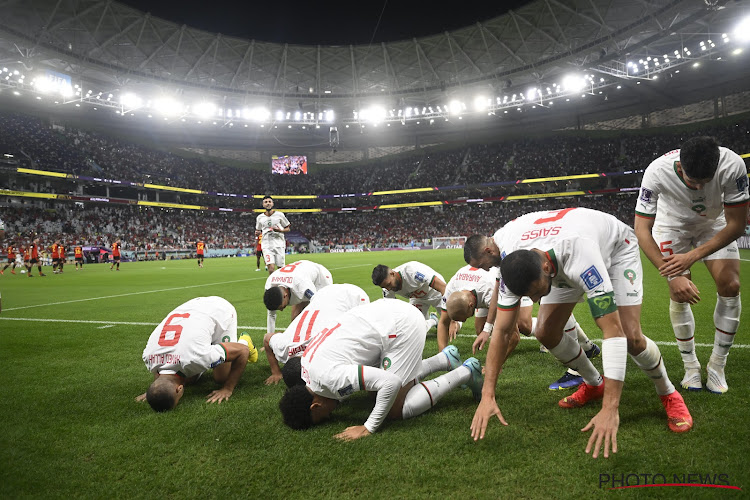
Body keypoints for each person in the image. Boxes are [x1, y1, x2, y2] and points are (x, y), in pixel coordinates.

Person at [464, 207, 693, 459]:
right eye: (530, 296)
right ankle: (595, 384)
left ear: (546, 268)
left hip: (614, 249)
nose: (536, 300)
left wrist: (610, 408)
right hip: (555, 254)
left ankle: (668, 393)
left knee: (630, 336)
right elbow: (503, 331)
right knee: (545, 332)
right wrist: (487, 394)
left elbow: (611, 330)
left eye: (537, 293)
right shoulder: (512, 265)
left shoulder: (581, 256)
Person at [634, 137, 749, 394]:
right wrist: (672, 274)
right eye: (691, 181)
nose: (698, 187)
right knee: (679, 292)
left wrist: (692, 256)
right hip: (672, 224)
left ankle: (717, 366)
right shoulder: (657, 171)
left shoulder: (733, 165)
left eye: (704, 182)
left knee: (731, 285)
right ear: (680, 167)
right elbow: (642, 229)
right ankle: (691, 367)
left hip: (715, 223)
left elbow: (737, 225)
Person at [278, 298, 484, 440]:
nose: (330, 416)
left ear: (315, 406)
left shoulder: (330, 379)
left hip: (402, 326)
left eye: (323, 417)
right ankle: (445, 359)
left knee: (394, 409)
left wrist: (368, 427)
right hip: (385, 314)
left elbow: (390, 382)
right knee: (375, 391)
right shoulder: (306, 366)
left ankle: (466, 372)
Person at [441, 264, 599, 390]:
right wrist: (444, 356)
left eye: (467, 316)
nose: (468, 319)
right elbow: (443, 321)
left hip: (512, 285)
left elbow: (513, 338)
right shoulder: (452, 288)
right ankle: (587, 345)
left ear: (470, 306)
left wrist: (495, 365)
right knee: (480, 329)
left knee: (524, 326)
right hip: (482, 291)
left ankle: (568, 335)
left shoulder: (490, 292)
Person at [137, 296, 259, 412]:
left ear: (179, 389)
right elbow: (158, 373)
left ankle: (244, 340)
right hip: (191, 309)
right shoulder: (148, 357)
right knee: (191, 378)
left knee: (222, 377)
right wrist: (155, 391)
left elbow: (242, 351)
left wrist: (227, 389)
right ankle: (211, 347)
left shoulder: (197, 357)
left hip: (219, 310)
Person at [263, 283, 370, 385]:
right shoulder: (283, 347)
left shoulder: (326, 349)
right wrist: (276, 372)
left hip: (352, 296)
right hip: (321, 295)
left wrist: (276, 372)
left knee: (364, 334)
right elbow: (267, 338)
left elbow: (267, 338)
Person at [263, 260, 333, 335]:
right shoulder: (269, 286)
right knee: (295, 319)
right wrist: (270, 338)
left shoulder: (302, 286)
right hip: (298, 278)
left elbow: (318, 305)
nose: (281, 310)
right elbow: (271, 315)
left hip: (320, 279)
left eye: (281, 307)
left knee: (313, 312)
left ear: (285, 295)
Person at [371, 261, 445, 332]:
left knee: (453, 328)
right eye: (384, 287)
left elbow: (442, 287)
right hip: (417, 299)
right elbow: (391, 311)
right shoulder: (387, 289)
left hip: (435, 292)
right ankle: (433, 320)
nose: (388, 288)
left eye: (388, 284)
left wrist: (451, 316)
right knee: (414, 329)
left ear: (392, 273)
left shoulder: (412, 271)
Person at [255, 195, 290, 274]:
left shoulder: (280, 215)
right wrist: (257, 233)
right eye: (266, 202)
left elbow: (288, 228)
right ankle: (273, 286)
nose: (268, 204)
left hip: (279, 244)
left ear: (272, 204)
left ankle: (281, 285)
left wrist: (280, 230)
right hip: (266, 245)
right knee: (271, 269)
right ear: (263, 204)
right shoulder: (259, 217)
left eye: (269, 202)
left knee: (281, 269)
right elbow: (258, 230)